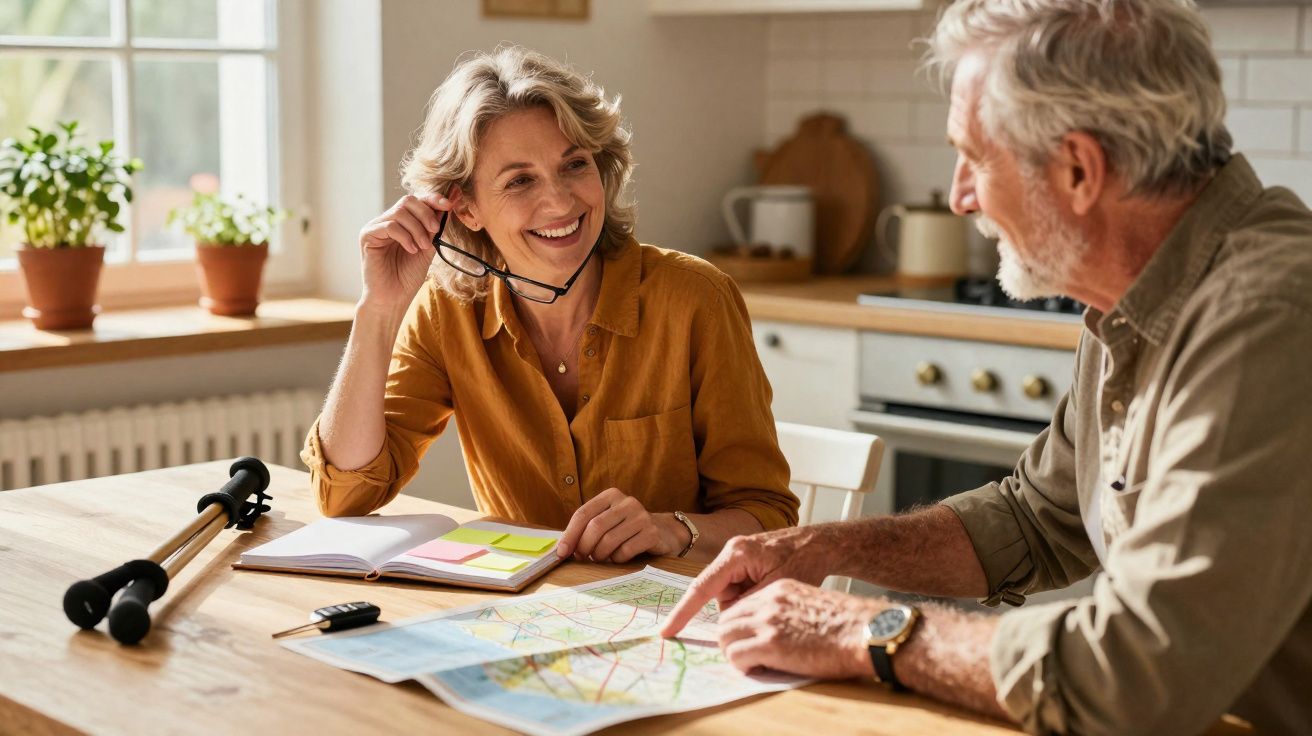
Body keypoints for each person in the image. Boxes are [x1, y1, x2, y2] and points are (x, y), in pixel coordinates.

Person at [663, 1, 1312, 732]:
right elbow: (1035, 518)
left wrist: (860, 630)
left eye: (974, 155)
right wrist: (822, 546)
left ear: (1077, 170)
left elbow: (1136, 676)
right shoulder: (1134, 288)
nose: (958, 195)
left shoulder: (1268, 319)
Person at [301, 46, 798, 564]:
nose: (561, 203)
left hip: (673, 616)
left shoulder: (695, 300)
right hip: (523, 616)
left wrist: (673, 529)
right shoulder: (447, 311)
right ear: (464, 207)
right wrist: (378, 308)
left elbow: (768, 515)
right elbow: (345, 496)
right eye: (520, 180)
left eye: (574, 165)